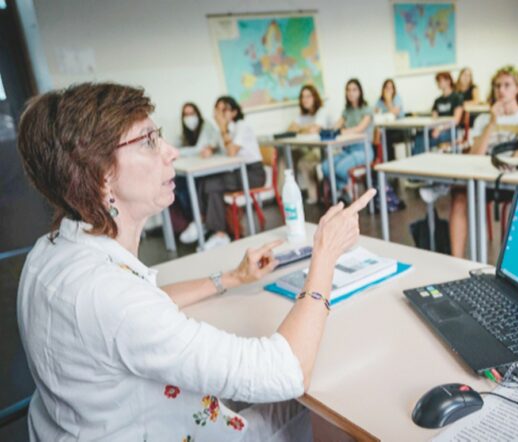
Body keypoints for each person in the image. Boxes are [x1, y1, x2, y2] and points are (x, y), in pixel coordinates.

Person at [16, 82, 376, 441]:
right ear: (101, 175)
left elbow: (141, 303)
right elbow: (286, 371)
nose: (170, 151)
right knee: (328, 391)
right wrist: (325, 255)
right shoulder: (111, 299)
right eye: (149, 141)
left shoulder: (48, 253)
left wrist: (232, 278)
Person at [448, 66, 518, 257]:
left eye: (507, 85)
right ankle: (455, 259)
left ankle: (507, 265)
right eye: (497, 85)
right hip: (484, 179)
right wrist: (492, 122)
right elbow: (474, 156)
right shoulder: (483, 119)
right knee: (459, 195)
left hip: (514, 180)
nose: (501, 90)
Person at [182, 96, 267, 249]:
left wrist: (222, 129)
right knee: (205, 180)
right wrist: (210, 149)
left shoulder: (241, 126)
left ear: (233, 112)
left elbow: (232, 151)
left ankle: (218, 233)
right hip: (236, 173)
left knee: (213, 183)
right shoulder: (221, 130)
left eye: (224, 109)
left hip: (253, 174)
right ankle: (206, 224)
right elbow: (215, 146)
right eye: (217, 109)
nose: (219, 113)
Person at [321, 78, 373, 201]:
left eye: (354, 90)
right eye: (348, 90)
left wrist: (340, 132)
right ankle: (344, 188)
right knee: (325, 166)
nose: (351, 93)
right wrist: (327, 129)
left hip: (363, 150)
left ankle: (343, 191)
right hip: (348, 150)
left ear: (360, 92)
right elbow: (336, 126)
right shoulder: (346, 111)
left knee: (340, 168)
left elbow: (359, 129)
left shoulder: (367, 110)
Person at [175, 102, 223, 235]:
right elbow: (178, 147)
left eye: (191, 114)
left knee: (194, 184)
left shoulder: (206, 126)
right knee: (178, 182)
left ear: (198, 114)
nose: (189, 117)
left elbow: (198, 149)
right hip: (195, 167)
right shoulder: (186, 133)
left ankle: (200, 219)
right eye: (186, 115)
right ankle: (196, 219)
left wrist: (179, 152)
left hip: (210, 169)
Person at [287, 85, 328, 204]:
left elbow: (313, 130)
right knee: (290, 155)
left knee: (304, 163)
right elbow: (290, 129)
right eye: (303, 97)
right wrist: (304, 128)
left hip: (325, 150)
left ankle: (314, 195)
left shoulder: (322, 111)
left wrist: (300, 129)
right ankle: (288, 198)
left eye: (308, 96)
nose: (305, 100)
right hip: (311, 148)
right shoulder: (302, 115)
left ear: (315, 97)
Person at [412, 72, 463, 155]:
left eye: (440, 81)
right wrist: (436, 128)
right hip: (437, 129)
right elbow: (434, 119)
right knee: (420, 136)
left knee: (425, 140)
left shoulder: (457, 97)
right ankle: (417, 160)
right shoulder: (437, 100)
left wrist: (440, 128)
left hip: (451, 130)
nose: (438, 83)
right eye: (438, 81)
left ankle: (418, 160)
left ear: (448, 81)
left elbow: (456, 120)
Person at [374, 78, 405, 161]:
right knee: (375, 137)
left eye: (391, 88)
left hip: (398, 129)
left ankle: (389, 160)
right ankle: (378, 160)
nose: (388, 90)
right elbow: (375, 113)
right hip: (385, 129)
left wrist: (388, 101)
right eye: (386, 88)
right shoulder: (380, 100)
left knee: (386, 138)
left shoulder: (397, 98)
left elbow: (395, 112)